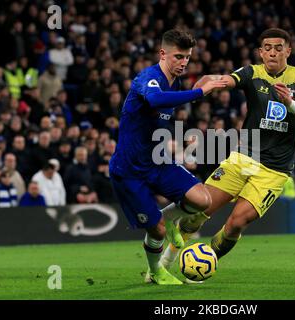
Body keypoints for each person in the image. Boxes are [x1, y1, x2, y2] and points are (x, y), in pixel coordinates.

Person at [161, 28, 295, 270]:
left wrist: (290, 103)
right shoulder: (251, 73)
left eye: (279, 48)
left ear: (288, 51)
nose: (273, 53)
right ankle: (163, 265)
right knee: (200, 210)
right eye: (267, 48)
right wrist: (205, 84)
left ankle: (205, 263)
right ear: (260, 52)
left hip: (275, 170)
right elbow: (224, 80)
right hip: (243, 157)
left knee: (236, 223)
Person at [108, 29, 227, 285]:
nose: (183, 63)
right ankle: (156, 272)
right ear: (163, 54)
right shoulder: (148, 78)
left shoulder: (177, 82)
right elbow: (155, 100)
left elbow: (162, 117)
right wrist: (200, 93)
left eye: (187, 58)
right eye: (178, 57)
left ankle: (169, 218)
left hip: (158, 161)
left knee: (202, 199)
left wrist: (180, 135)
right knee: (157, 231)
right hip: (130, 170)